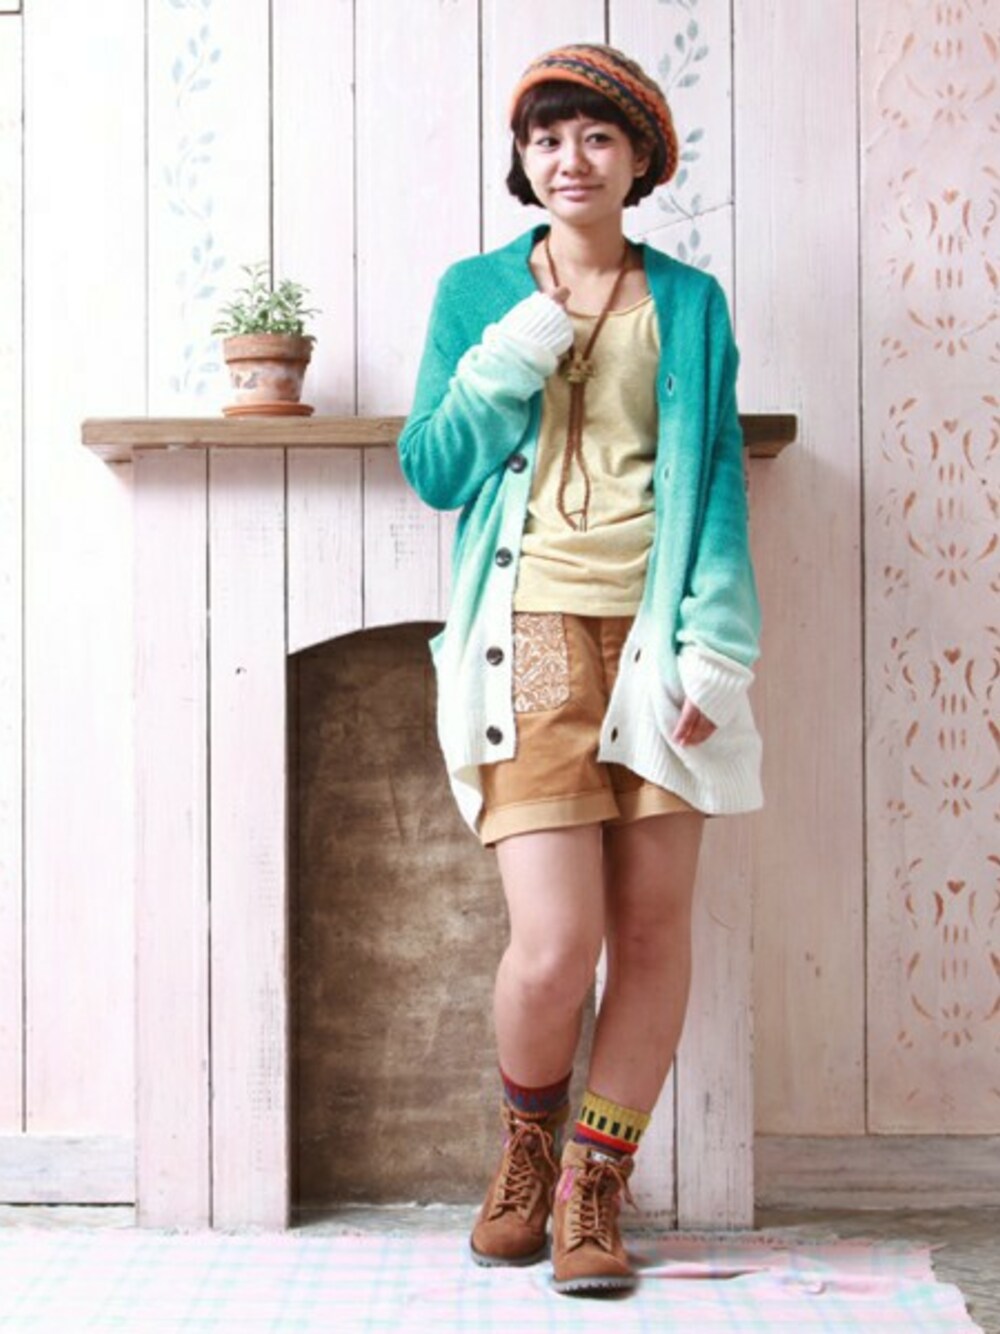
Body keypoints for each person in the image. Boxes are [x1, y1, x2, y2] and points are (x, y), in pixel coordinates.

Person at [398, 43, 762, 1297]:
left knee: (653, 928)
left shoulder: (692, 302)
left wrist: (718, 641)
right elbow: (434, 468)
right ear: (523, 158)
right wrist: (513, 352)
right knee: (556, 941)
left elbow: (717, 476)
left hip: (658, 638)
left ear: (639, 157)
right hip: (530, 629)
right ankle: (525, 1151)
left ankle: (591, 1190)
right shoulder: (476, 291)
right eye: (546, 137)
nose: (570, 159)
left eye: (597, 136)